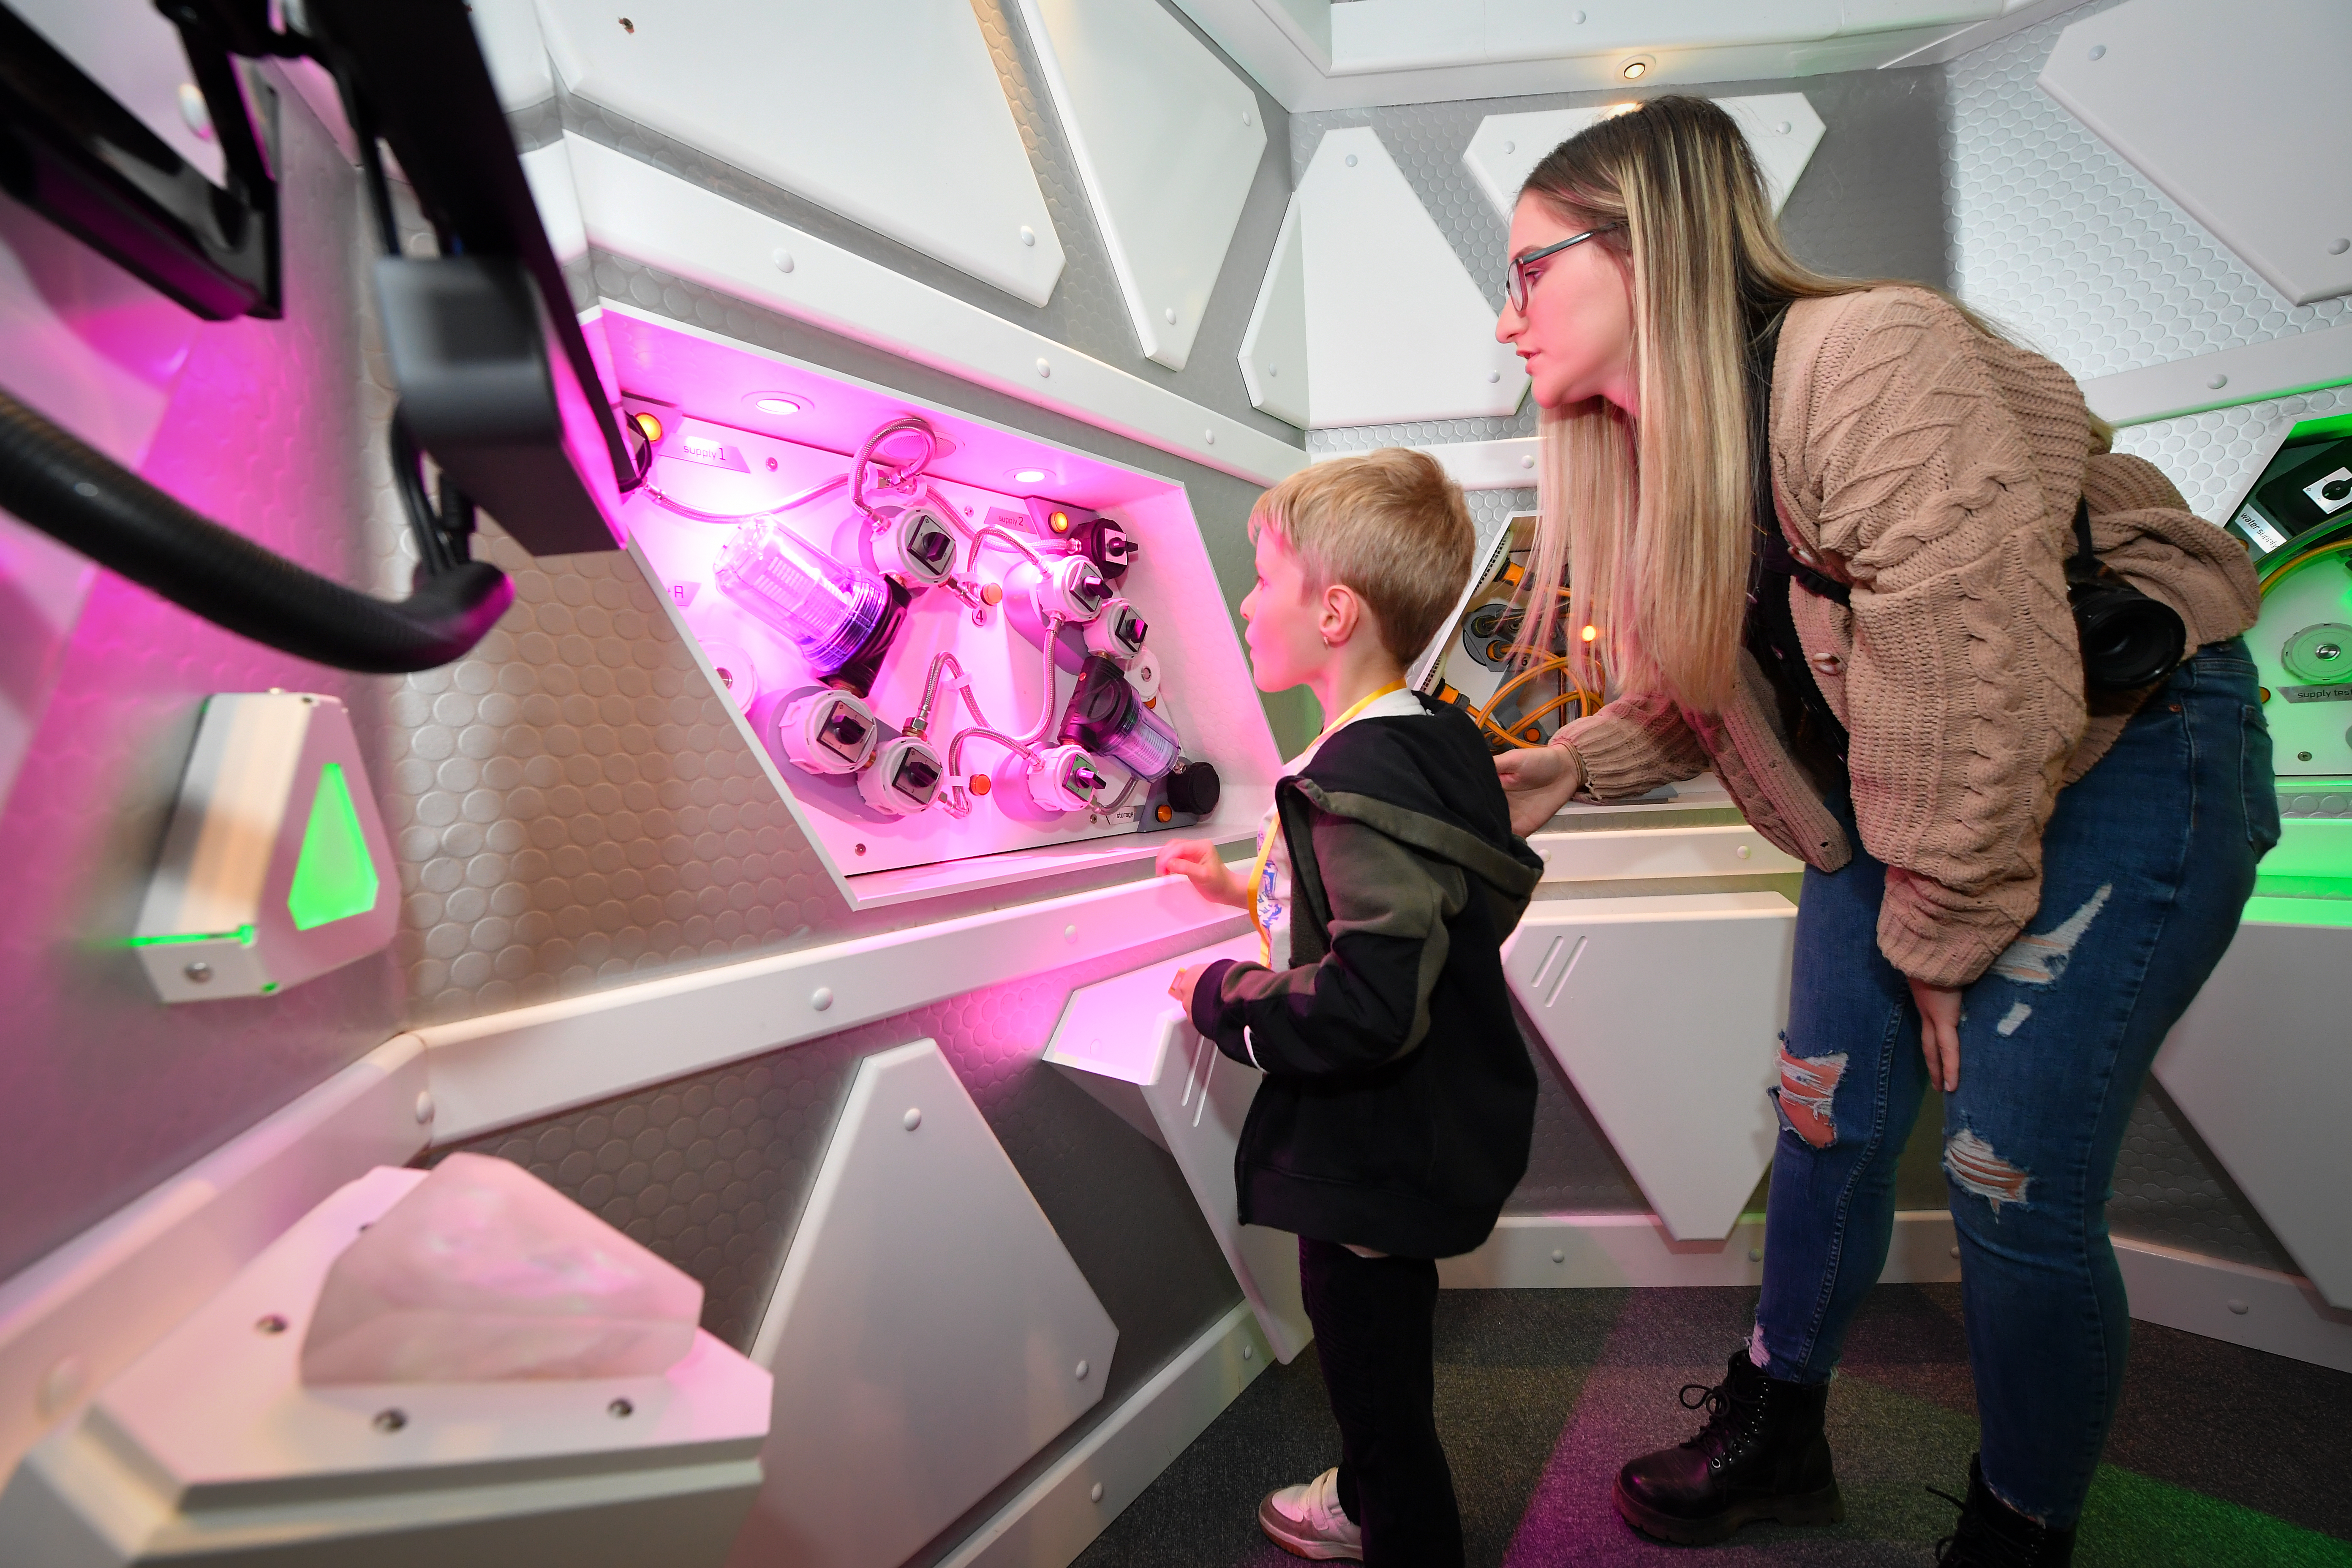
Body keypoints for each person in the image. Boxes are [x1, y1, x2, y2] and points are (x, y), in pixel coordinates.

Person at [1488, 97, 2270, 1566]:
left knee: (2007, 1169)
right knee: (1823, 1111)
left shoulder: (1869, 358)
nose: (1507, 315)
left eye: (1530, 268)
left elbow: (1979, 666)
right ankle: (1780, 1426)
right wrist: (1570, 769)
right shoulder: (1677, 453)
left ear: (1643, 245)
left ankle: (2019, 1527)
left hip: (2124, 742)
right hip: (1913, 783)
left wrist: (1944, 925)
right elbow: (1739, 687)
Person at [1156, 448, 1545, 1565]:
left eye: (1263, 578)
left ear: (1334, 611)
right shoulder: (1408, 739)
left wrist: (1223, 996)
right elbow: (1382, 891)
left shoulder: (1362, 775)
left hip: (1379, 1147)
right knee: (1373, 1349)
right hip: (1407, 1133)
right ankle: (1371, 1494)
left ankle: (1394, 1522)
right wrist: (1238, 887)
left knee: (1374, 1375)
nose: (1243, 599)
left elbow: (1371, 1000)